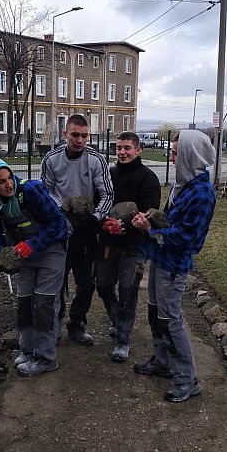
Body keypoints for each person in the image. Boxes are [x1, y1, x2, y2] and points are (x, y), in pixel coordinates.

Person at [131, 129, 216, 402]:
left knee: (171, 320)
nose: (171, 157)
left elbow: (189, 238)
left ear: (190, 156)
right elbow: (171, 221)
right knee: (156, 313)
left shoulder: (201, 193)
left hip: (174, 266)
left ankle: (187, 379)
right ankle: (164, 361)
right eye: (172, 152)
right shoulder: (183, 185)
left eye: (176, 153)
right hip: (160, 258)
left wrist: (150, 230)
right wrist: (152, 218)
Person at [0, 156, 69, 377]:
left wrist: (33, 244)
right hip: (23, 254)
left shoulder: (30, 191)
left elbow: (58, 223)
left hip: (51, 250)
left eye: (9, 178)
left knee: (44, 304)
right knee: (25, 302)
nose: (8, 184)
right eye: (1, 181)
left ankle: (46, 358)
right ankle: (28, 350)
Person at [40, 114, 113, 346]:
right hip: (60, 230)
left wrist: (95, 217)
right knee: (56, 280)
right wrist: (60, 211)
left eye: (84, 135)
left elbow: (107, 193)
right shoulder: (51, 159)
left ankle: (78, 324)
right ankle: (55, 323)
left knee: (86, 283)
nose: (80, 140)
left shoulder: (96, 160)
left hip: (86, 230)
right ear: (65, 134)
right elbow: (45, 190)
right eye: (75, 135)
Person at [96, 131, 161, 362]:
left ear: (138, 149)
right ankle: (117, 320)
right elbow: (99, 203)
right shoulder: (109, 174)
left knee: (128, 292)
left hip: (135, 245)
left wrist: (125, 225)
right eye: (118, 148)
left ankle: (123, 340)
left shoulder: (148, 179)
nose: (122, 152)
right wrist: (104, 224)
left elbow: (149, 212)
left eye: (127, 148)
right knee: (103, 285)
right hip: (108, 243)